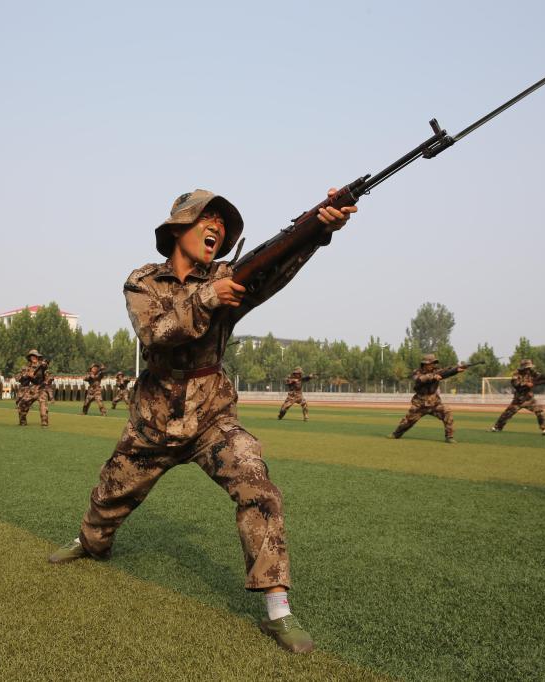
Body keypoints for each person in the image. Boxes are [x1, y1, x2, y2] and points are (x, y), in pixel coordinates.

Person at [47, 187, 355, 654]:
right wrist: (209, 297)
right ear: (178, 228)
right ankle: (90, 544)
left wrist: (317, 232)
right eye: (205, 218)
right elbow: (157, 332)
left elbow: (272, 269)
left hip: (213, 418)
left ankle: (278, 610)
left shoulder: (230, 278)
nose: (216, 226)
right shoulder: (143, 281)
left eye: (222, 221)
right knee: (110, 496)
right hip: (154, 421)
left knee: (258, 484)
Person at [389, 354, 467, 443]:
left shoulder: (437, 371)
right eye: (431, 363)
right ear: (425, 364)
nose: (433, 365)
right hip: (420, 403)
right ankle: (396, 434)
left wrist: (456, 370)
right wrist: (433, 377)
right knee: (407, 421)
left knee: (447, 412)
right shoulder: (417, 372)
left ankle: (449, 437)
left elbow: (446, 373)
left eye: (434, 363)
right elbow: (419, 379)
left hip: (435, 403)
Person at [490, 359, 545, 435]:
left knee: (539, 411)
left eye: (529, 367)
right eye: (527, 368)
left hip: (529, 399)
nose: (529, 369)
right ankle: (496, 428)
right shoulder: (516, 374)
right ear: (523, 368)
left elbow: (541, 376)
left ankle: (544, 430)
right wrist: (526, 384)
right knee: (507, 414)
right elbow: (516, 385)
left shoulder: (531, 372)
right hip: (518, 400)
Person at [14, 349, 49, 426]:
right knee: (22, 405)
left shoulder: (42, 366)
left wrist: (44, 368)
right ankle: (22, 422)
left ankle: (44, 422)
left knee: (43, 406)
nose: (34, 357)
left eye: (35, 356)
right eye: (32, 356)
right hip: (31, 390)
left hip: (41, 388)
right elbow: (18, 378)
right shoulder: (25, 367)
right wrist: (26, 375)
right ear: (29, 358)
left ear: (38, 357)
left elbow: (47, 374)